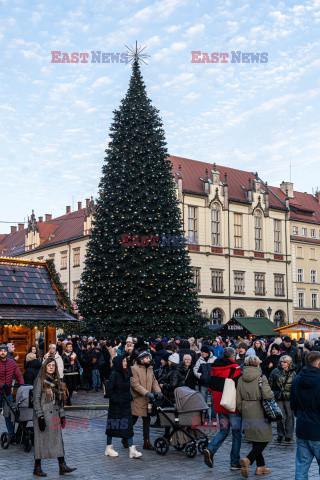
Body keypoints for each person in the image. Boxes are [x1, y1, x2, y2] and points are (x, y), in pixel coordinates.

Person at [33, 357, 76, 477]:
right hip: (43, 415)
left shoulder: (57, 381)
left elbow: (59, 401)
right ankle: (37, 468)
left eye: (53, 365)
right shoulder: (39, 380)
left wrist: (62, 416)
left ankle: (62, 466)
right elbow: (36, 400)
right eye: (49, 365)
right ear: (45, 367)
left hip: (55, 414)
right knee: (41, 442)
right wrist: (40, 417)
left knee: (58, 440)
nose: (51, 367)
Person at [204, 347, 242, 471]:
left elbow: (211, 387)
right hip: (232, 406)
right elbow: (239, 387)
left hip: (219, 405)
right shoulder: (235, 368)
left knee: (224, 430)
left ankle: (210, 449)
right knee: (236, 434)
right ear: (232, 356)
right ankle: (234, 462)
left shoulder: (214, 368)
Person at [236, 355, 273, 478]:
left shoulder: (241, 378)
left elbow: (238, 398)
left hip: (246, 409)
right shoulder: (261, 377)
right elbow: (268, 395)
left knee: (255, 438)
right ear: (257, 364)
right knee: (264, 439)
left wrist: (243, 409)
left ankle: (260, 466)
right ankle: (248, 460)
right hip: (259, 409)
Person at [105, 355, 142, 459]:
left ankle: (132, 450)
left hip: (126, 405)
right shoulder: (114, 374)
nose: (126, 363)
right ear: (118, 363)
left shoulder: (126, 373)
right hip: (116, 406)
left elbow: (127, 389)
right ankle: (108, 448)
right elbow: (109, 391)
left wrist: (129, 397)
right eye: (123, 361)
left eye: (126, 361)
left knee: (128, 427)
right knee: (112, 427)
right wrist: (117, 400)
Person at [290, 351, 320, 480]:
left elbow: (293, 405)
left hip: (303, 428)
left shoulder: (297, 379)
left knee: (301, 467)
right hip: (317, 430)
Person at [131, 350, 162, 450]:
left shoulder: (150, 369)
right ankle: (125, 437)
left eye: (149, 358)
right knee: (133, 419)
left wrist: (158, 391)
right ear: (141, 359)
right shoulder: (134, 369)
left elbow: (154, 381)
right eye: (147, 358)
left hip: (148, 400)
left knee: (147, 421)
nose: (149, 360)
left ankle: (146, 442)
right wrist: (146, 392)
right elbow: (135, 384)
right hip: (138, 399)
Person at [269, 354, 296, 443]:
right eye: (281, 362)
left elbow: (295, 386)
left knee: (290, 416)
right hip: (279, 396)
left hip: (289, 397)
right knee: (280, 416)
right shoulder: (275, 371)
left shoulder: (293, 373)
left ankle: (289, 435)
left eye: (285, 362)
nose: (282, 363)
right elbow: (270, 383)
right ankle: (280, 434)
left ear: (289, 363)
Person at [0, 344, 24, 441]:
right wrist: (1, 384)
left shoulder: (12, 363)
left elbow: (18, 374)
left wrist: (22, 384)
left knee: (8, 414)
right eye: (1, 351)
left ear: (7, 352)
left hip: (7, 392)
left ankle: (11, 434)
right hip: (0, 389)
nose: (2, 352)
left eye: (4, 351)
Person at [193, 345, 216, 422]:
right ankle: (205, 418)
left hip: (213, 383)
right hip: (203, 383)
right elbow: (195, 370)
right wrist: (200, 376)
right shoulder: (199, 360)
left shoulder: (214, 359)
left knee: (214, 402)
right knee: (203, 402)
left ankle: (214, 418)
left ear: (207, 353)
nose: (201, 353)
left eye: (203, 352)